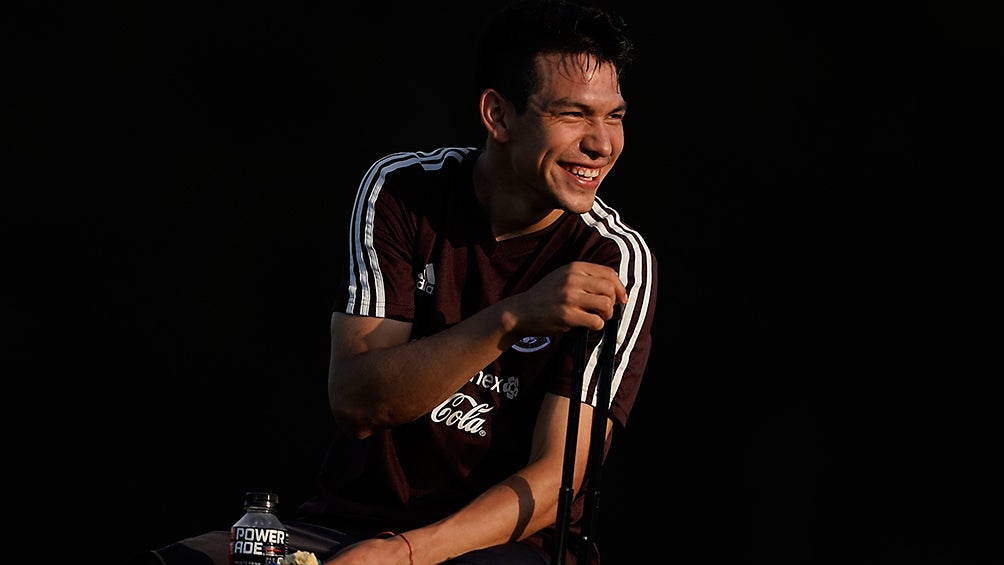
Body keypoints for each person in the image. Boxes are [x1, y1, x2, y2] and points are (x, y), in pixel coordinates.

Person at [130, 0, 656, 563]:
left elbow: (556, 482)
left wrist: (404, 554)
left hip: (501, 545)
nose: (602, 144)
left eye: (615, 116)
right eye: (573, 115)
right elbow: (356, 401)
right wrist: (512, 318)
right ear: (498, 116)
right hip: (346, 526)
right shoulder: (403, 190)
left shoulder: (614, 258)